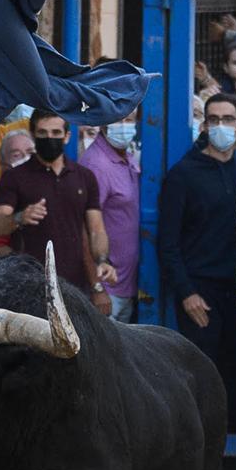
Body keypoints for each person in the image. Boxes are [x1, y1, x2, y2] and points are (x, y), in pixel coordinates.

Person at [159, 91, 236, 470]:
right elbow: (168, 242)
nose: (220, 126)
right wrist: (186, 292)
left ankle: (232, 465)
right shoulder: (183, 174)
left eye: (227, 119)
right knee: (201, 378)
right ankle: (198, 469)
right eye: (213, 119)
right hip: (201, 293)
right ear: (203, 125)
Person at [0, 109, 117, 314]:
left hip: (75, 289)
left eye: (56, 133)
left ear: (67, 137)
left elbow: (96, 230)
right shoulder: (15, 177)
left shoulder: (84, 177)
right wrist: (20, 218)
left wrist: (102, 261)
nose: (50, 138)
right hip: (29, 287)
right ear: (33, 135)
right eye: (43, 133)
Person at [80, 108, 141, 321]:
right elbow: (83, 228)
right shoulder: (96, 164)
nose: (124, 125)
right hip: (107, 287)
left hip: (127, 285)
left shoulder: (129, 157)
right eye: (118, 119)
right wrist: (97, 287)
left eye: (129, 119)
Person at [0, 128, 37, 262]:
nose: (26, 159)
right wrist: (29, 261)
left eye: (30, 152)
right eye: (16, 155)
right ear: (4, 164)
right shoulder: (2, 195)